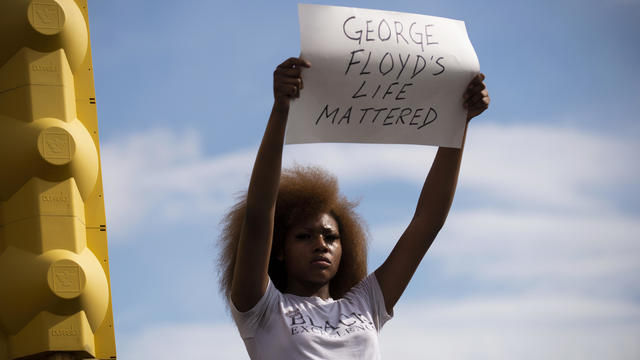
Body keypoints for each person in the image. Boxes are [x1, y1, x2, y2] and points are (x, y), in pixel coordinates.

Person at [218, 57, 490, 359]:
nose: (321, 244)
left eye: (331, 237)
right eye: (304, 236)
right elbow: (259, 216)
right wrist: (281, 109)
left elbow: (427, 222)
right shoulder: (263, 310)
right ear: (279, 249)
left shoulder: (367, 304)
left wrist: (458, 121)